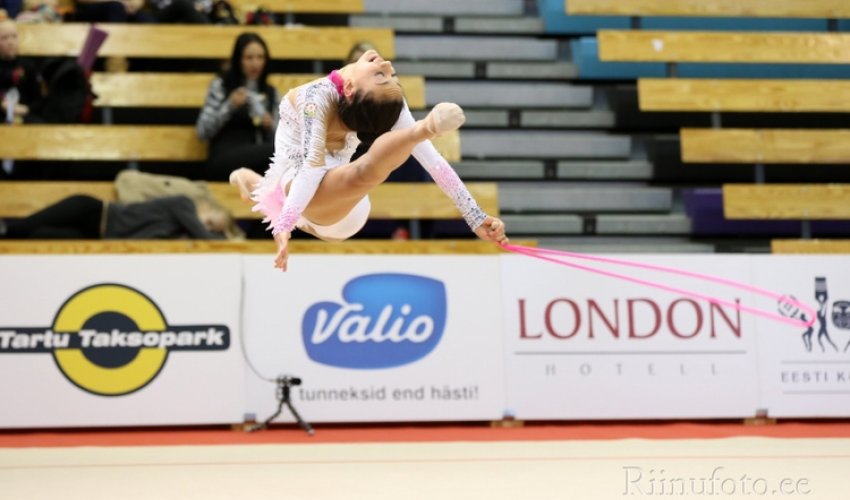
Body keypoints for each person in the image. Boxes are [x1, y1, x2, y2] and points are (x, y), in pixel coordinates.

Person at [229, 48, 508, 272]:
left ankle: (422, 130)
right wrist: (284, 226)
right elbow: (311, 169)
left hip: (343, 208)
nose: (386, 64)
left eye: (383, 75)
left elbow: (434, 162)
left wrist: (475, 217)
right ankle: (258, 185)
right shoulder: (317, 99)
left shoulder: (380, 100)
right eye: (389, 73)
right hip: (305, 190)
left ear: (349, 88)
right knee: (321, 181)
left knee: (362, 172)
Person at [197, 32, 279, 181]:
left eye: (260, 57)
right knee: (282, 151)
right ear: (238, 60)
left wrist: (270, 125)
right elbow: (202, 131)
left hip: (256, 159)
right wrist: (229, 106)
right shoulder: (221, 85)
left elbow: (279, 136)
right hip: (224, 157)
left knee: (274, 171)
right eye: (249, 58)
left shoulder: (270, 92)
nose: (255, 64)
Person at [0, 194, 231, 239]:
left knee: (39, 236)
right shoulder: (184, 204)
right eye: (209, 221)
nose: (206, 228)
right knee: (23, 228)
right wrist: (230, 241)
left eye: (213, 228)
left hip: (95, 235)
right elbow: (205, 238)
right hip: (93, 211)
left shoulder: (179, 232)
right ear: (204, 207)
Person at [0, 18, 43, 124]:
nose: (10, 42)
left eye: (14, 37)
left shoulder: (28, 66)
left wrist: (26, 109)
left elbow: (38, 99)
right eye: (4, 38)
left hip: (25, 113)